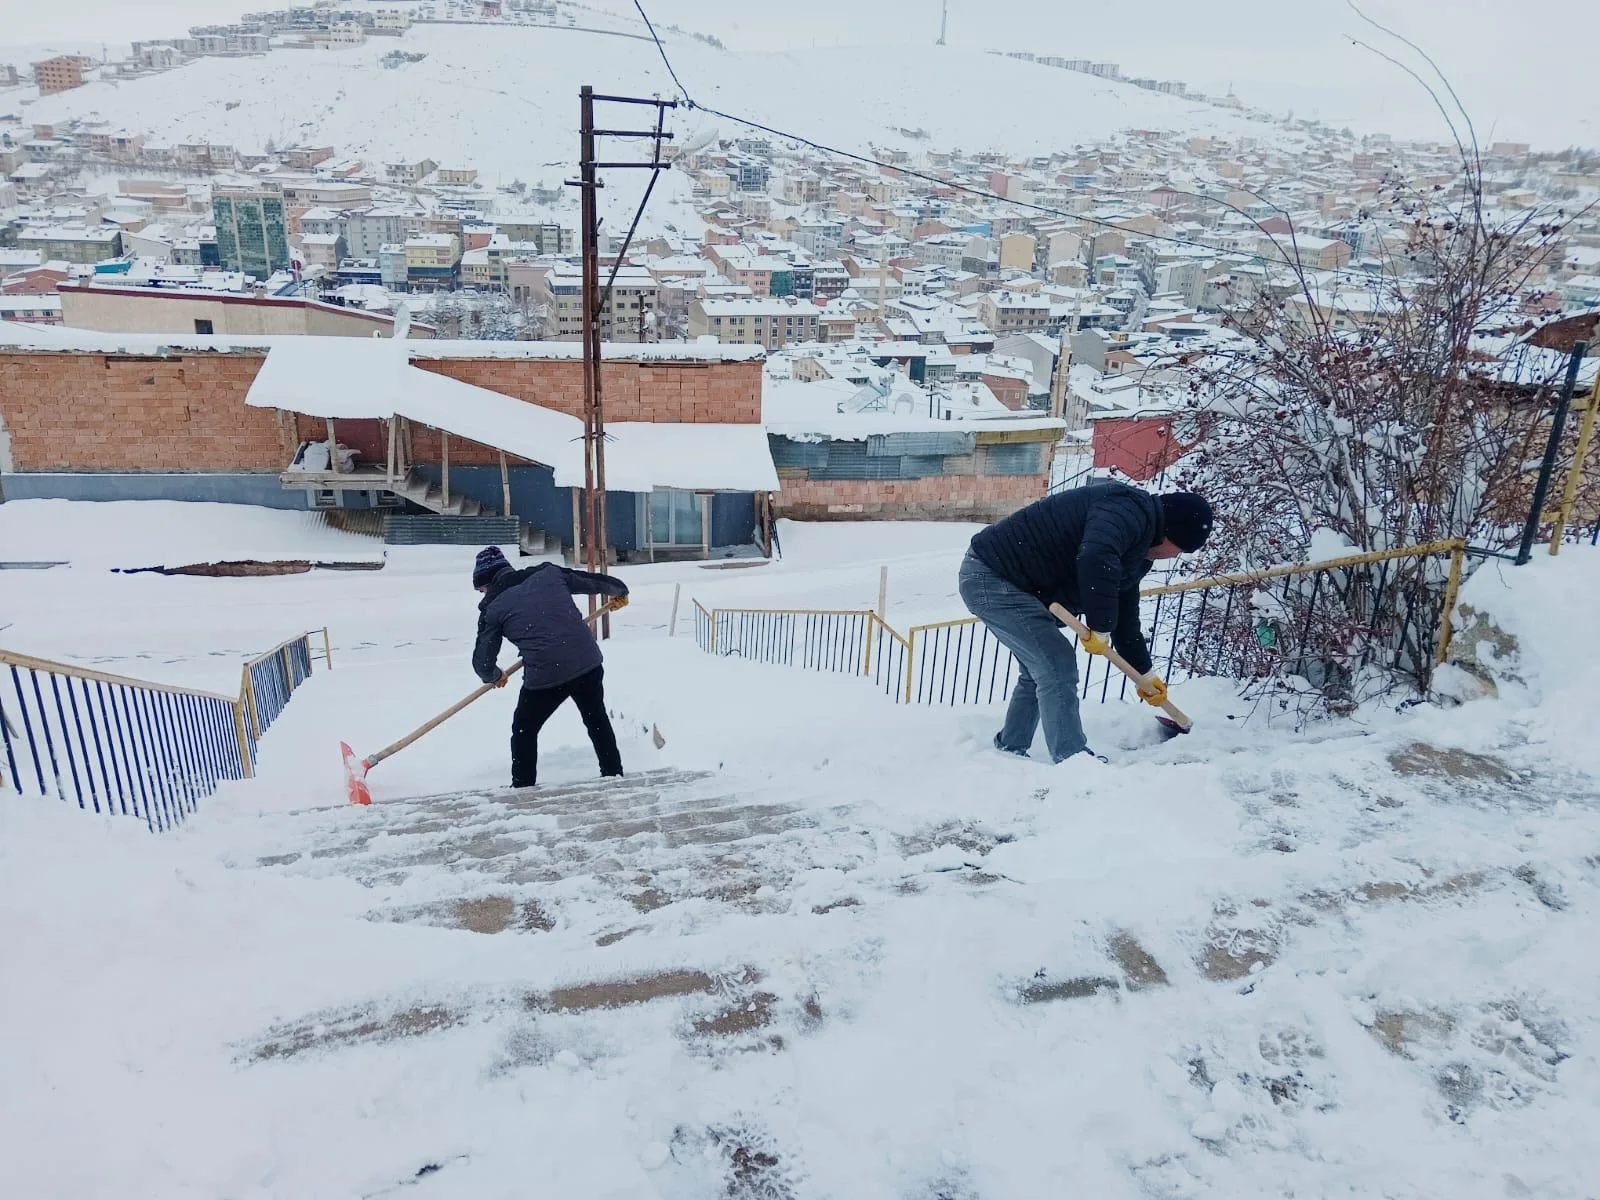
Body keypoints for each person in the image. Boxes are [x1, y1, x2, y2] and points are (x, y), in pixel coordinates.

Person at [957, 482, 1213, 763]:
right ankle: (1072, 759)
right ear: (1170, 534)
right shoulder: (1125, 511)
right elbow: (1095, 558)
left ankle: (1010, 748)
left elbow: (1125, 611)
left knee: (1040, 669)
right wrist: (1100, 625)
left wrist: (1145, 673)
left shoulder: (1136, 548)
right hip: (992, 576)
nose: (1173, 557)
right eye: (1179, 550)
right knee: (1056, 664)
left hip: (1017, 584)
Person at [470, 546, 630, 789]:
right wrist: (618, 590)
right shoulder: (548, 573)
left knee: (524, 729)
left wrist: (493, 675)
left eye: (480, 588)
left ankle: (523, 788)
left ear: (488, 583)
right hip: (587, 663)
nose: (481, 593)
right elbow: (589, 581)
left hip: (546, 676)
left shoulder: (492, 608)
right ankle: (613, 775)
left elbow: (483, 662)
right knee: (596, 718)